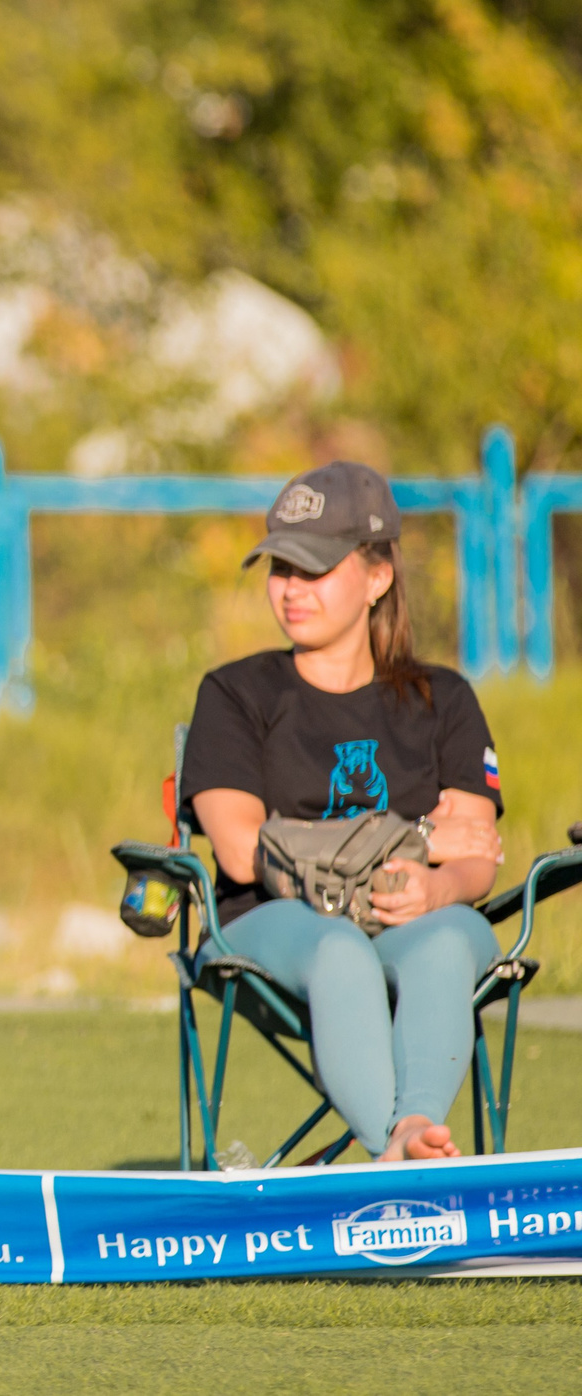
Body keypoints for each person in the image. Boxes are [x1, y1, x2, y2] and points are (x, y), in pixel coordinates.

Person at [178, 460, 506, 1163]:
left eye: (314, 570)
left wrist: (439, 885)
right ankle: (396, 1147)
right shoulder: (235, 696)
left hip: (410, 923)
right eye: (279, 569)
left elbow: (475, 852)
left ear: (377, 577)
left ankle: (416, 1129)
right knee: (340, 951)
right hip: (273, 926)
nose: (290, 590)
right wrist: (418, 836)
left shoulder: (442, 699)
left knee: (451, 938)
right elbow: (242, 853)